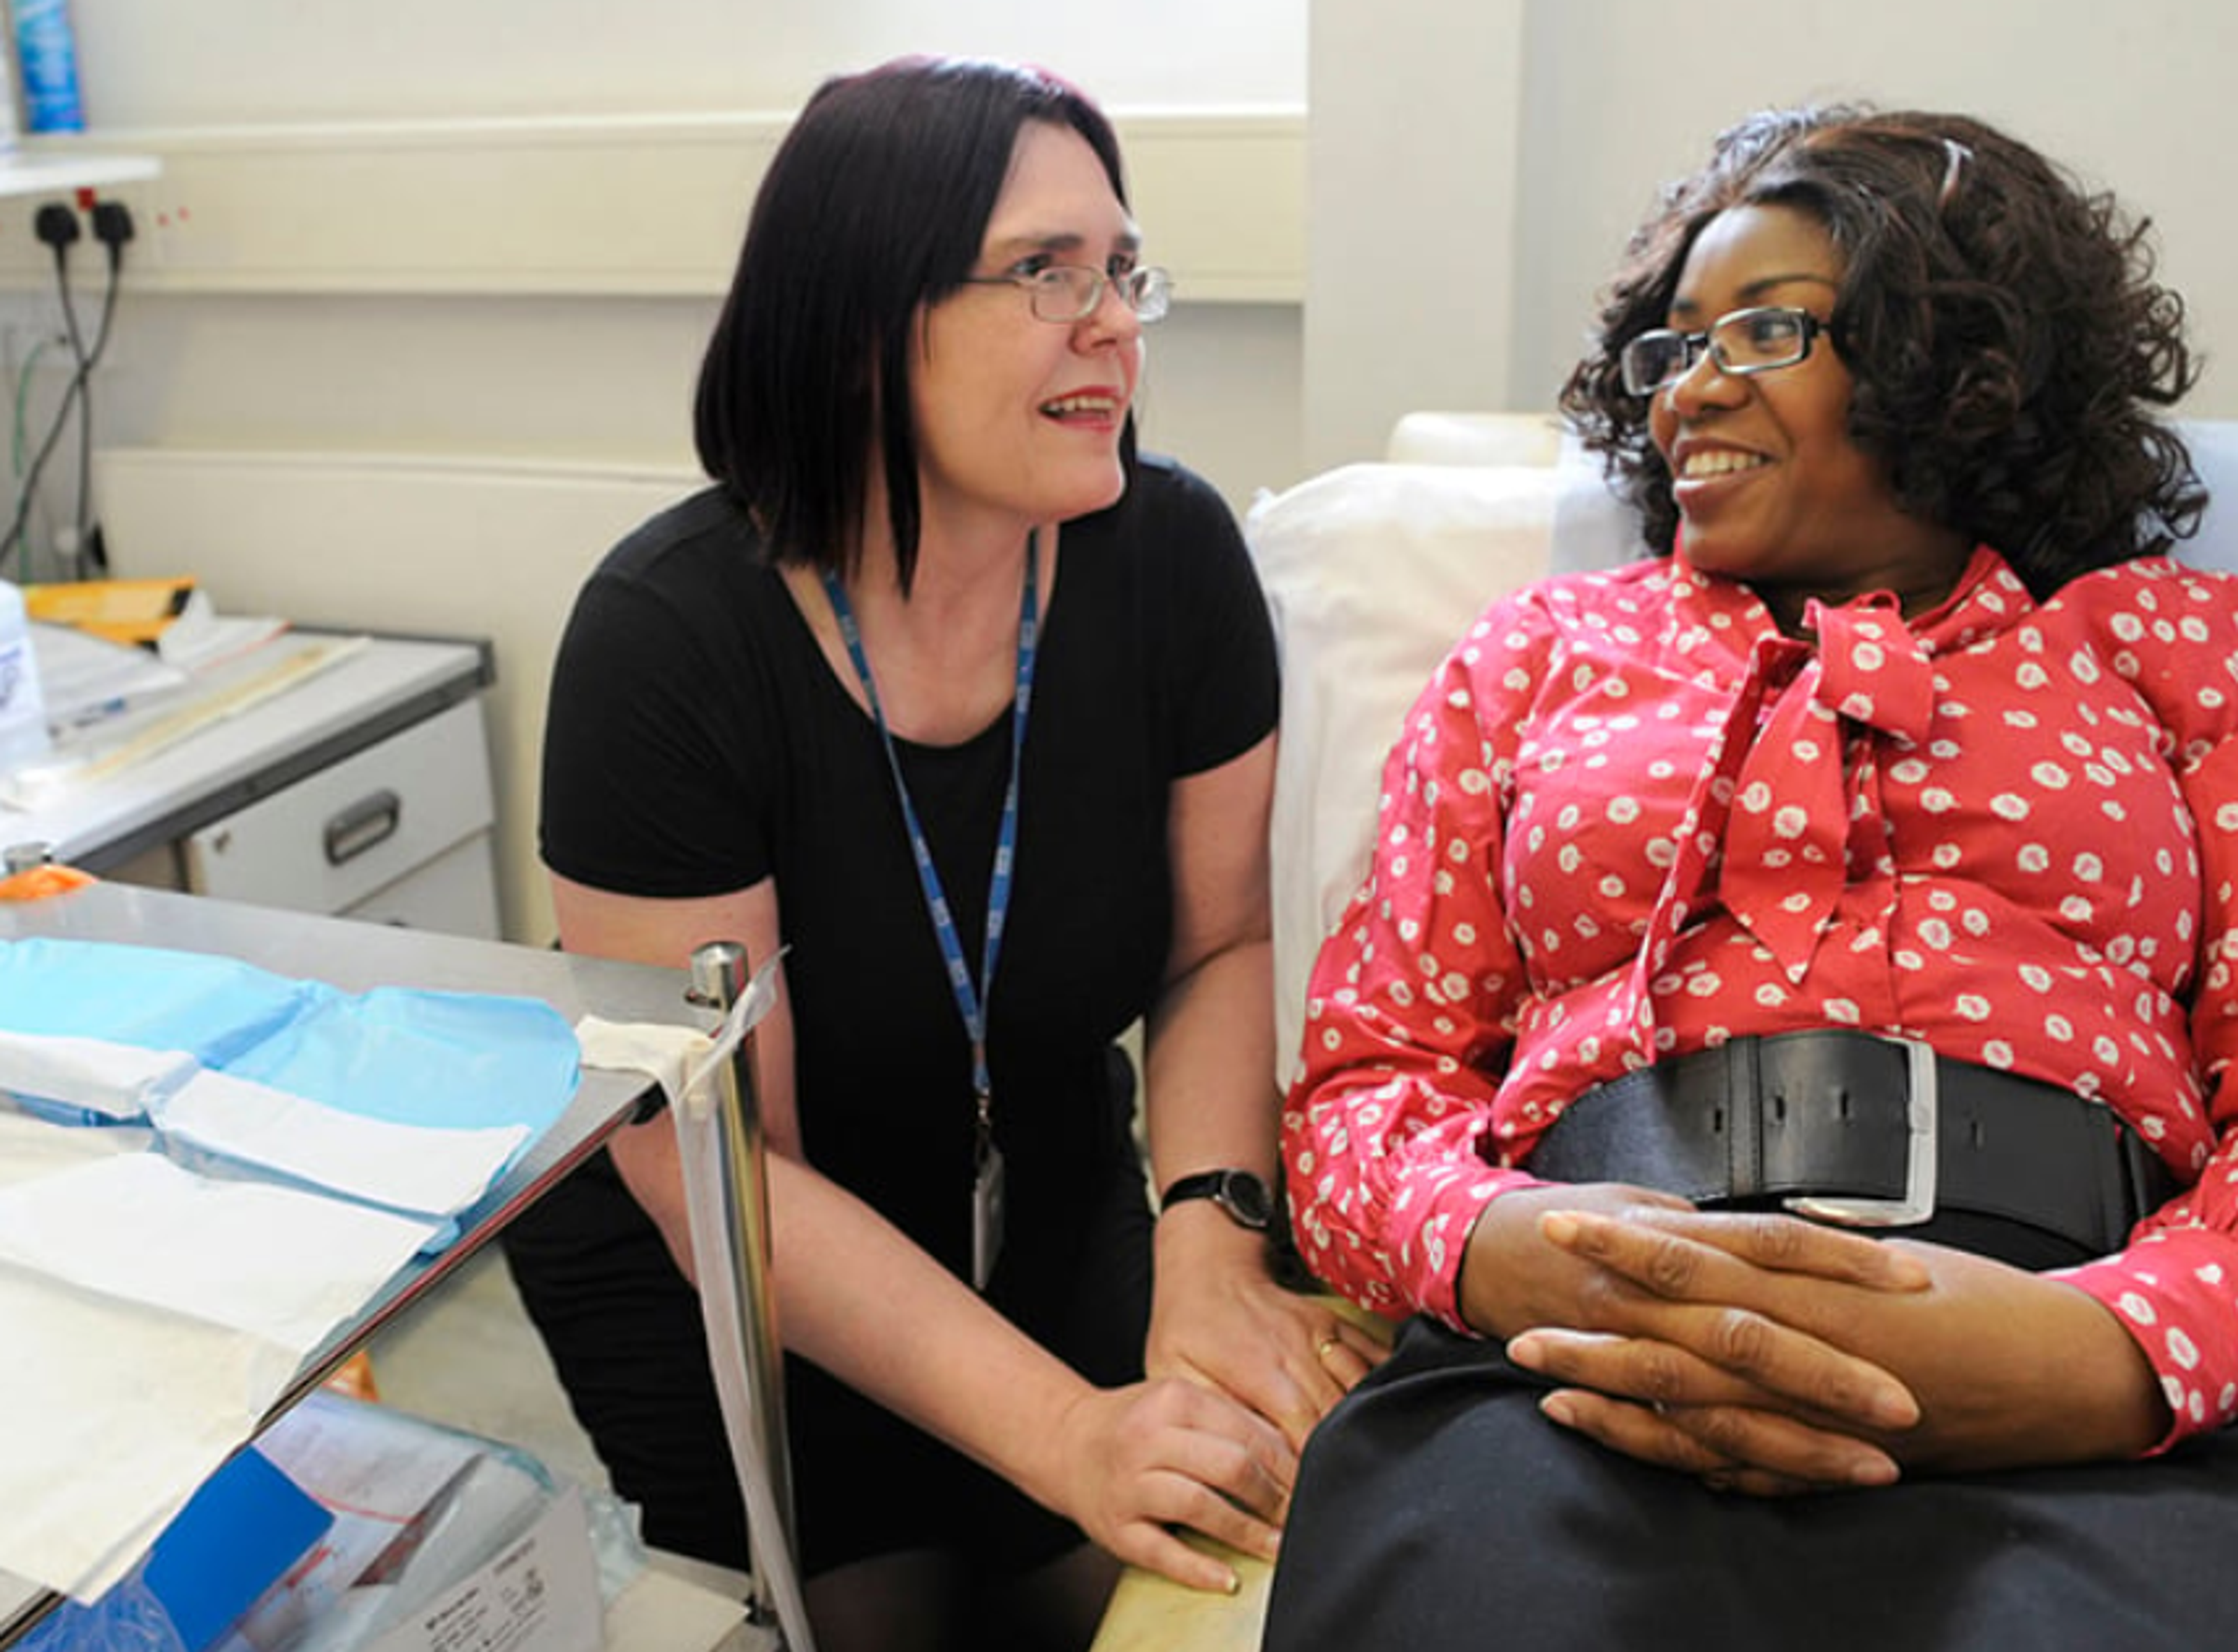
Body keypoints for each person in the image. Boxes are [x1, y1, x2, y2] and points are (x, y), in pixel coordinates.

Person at [1264, 105, 2238, 1651]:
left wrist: (2113, 1356)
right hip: (1572, 1369)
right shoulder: (1540, 658)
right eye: (1674, 347)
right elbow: (1365, 1080)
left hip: (2070, 1371)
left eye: (1767, 331)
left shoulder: (2175, 655)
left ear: (1952, 359)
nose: (1689, 392)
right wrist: (1500, 1251)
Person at [502, 55, 1368, 1652]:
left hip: (1031, 1166)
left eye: (1123, 270)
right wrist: (1063, 1432)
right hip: (741, 1240)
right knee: (886, 1614)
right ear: (854, 326)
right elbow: (717, 1173)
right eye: (1046, 272)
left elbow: (1215, 948)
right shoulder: (668, 644)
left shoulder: (1169, 562)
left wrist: (1207, 1249)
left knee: (1162, 1583)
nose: (1113, 320)